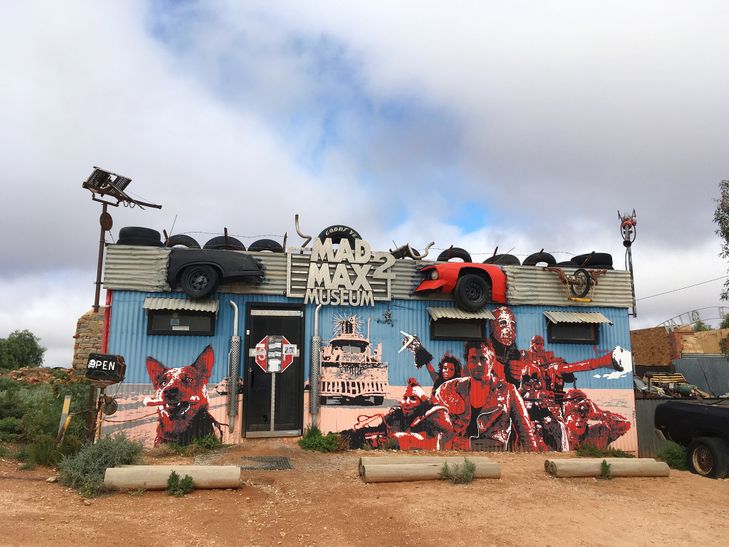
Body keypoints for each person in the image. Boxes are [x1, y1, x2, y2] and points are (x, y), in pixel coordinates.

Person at [435, 341, 538, 451]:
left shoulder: (508, 391)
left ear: (492, 361)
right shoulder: (449, 389)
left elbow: (527, 435)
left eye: (482, 358)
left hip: (493, 459)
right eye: (473, 359)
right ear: (468, 362)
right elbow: (437, 429)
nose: (478, 364)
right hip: (456, 458)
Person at [562, 389, 631, 450]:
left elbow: (626, 424)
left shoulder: (598, 433)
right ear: (565, 417)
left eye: (584, 414)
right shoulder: (558, 433)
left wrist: (600, 415)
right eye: (575, 414)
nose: (580, 419)